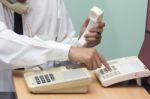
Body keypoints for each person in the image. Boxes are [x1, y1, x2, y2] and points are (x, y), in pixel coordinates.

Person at [0, 0, 109, 92]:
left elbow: (61, 53)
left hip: (47, 92)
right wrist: (69, 51)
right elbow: (5, 45)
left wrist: (81, 44)